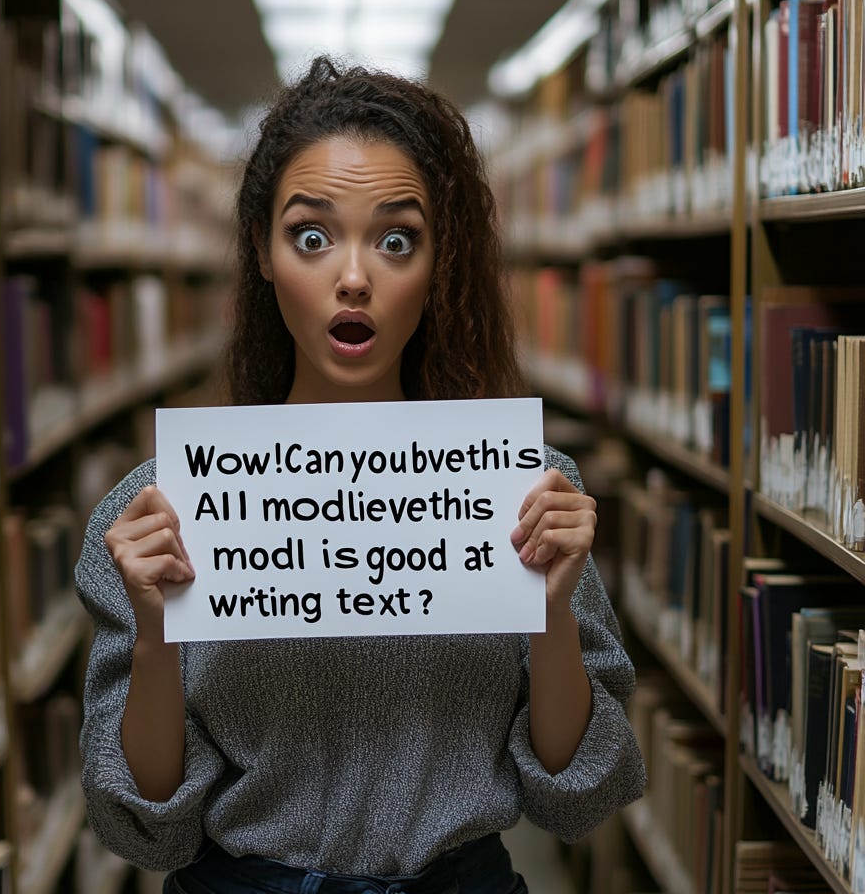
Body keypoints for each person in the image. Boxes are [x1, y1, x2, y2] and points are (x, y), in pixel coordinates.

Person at [76, 56, 647, 894]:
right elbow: (151, 825)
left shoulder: (522, 493)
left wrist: (550, 609)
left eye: (395, 239)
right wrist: (157, 630)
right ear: (263, 257)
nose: (352, 277)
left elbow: (574, 799)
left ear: (437, 263)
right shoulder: (159, 511)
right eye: (311, 236)